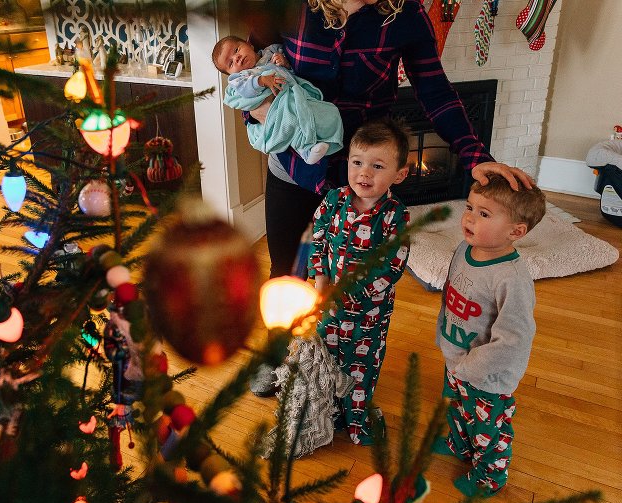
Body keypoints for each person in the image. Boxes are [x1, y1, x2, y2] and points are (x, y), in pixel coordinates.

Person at [248, 0, 535, 396]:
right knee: (286, 269)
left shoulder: (406, 15)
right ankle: (276, 353)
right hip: (294, 166)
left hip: (364, 174)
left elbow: (434, 89)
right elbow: (247, 66)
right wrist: (256, 111)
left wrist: (474, 154)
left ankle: (336, 365)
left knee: (353, 279)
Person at [432, 174, 546, 497]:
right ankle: (458, 442)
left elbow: (513, 339)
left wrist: (472, 367)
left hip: (487, 375)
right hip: (456, 358)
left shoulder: (511, 279)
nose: (469, 217)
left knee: (488, 430)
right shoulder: (464, 249)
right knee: (457, 408)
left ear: (516, 231)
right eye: (470, 207)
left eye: (484, 214)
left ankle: (490, 476)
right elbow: (450, 294)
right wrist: (444, 334)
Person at [309, 117, 410, 446]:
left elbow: (392, 267)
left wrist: (354, 295)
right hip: (328, 308)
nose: (364, 173)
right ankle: (330, 412)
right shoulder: (335, 200)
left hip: (368, 315)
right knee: (327, 360)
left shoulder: (395, 215)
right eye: (357, 163)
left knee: (360, 368)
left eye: (377, 166)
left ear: (399, 174)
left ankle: (356, 420)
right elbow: (318, 240)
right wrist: (321, 279)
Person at [212, 36, 343, 165]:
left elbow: (290, 73)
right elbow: (244, 89)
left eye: (236, 50)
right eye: (231, 63)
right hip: (277, 105)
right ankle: (304, 149)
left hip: (291, 92)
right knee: (291, 120)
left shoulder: (271, 52)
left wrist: (285, 63)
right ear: (231, 74)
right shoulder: (242, 77)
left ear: (249, 45)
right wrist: (261, 81)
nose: (237, 58)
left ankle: (324, 137)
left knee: (328, 113)